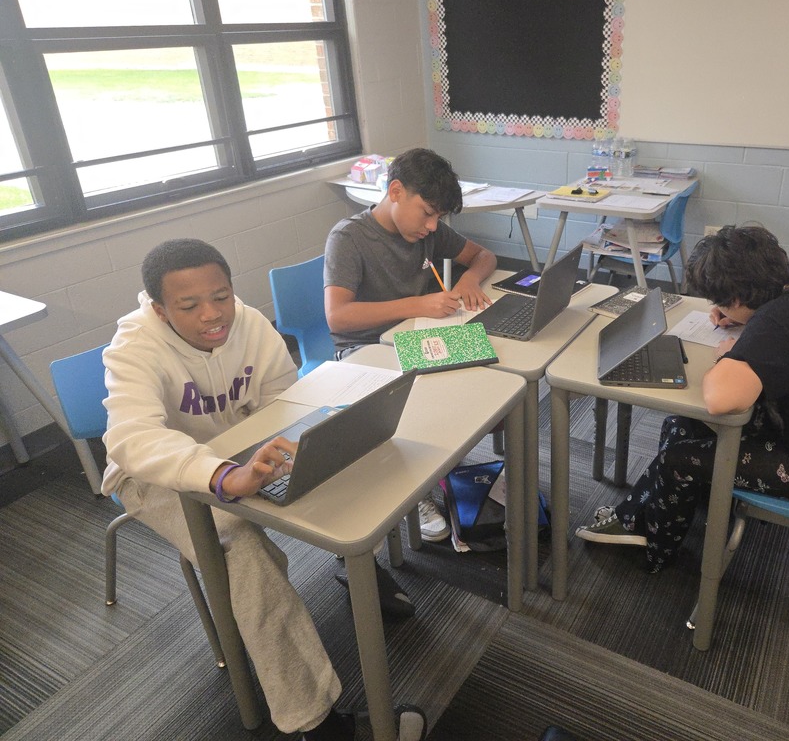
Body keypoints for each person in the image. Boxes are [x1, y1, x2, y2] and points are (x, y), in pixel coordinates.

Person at [101, 238, 427, 741]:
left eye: (222, 296)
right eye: (189, 306)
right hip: (154, 474)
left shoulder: (249, 322)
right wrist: (222, 476)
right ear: (161, 311)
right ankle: (315, 722)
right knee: (241, 547)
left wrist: (278, 448)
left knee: (343, 458)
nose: (213, 315)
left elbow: (282, 399)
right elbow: (132, 439)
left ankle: (356, 563)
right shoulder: (133, 347)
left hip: (242, 450)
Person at [576, 223, 789, 574]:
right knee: (681, 422)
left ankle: (654, 544)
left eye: (720, 302)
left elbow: (720, 399)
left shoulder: (779, 322)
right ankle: (654, 510)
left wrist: (729, 353)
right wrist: (743, 321)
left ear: (736, 299)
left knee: (677, 457)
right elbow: (783, 339)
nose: (717, 308)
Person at [324, 147, 497, 546]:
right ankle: (410, 490)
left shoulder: (423, 230)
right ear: (396, 191)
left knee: (486, 376)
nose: (433, 227)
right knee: (422, 401)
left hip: (417, 339)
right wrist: (418, 305)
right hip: (364, 352)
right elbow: (338, 317)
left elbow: (482, 256)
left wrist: (469, 280)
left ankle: (437, 465)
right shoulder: (349, 237)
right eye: (428, 213)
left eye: (439, 218)